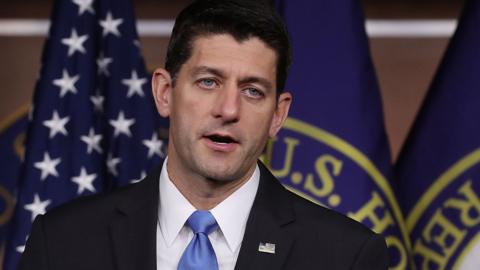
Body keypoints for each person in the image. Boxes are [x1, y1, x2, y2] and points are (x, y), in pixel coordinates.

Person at [18, 0, 388, 269]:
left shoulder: (346, 256)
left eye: (253, 91)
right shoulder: (63, 242)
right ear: (165, 92)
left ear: (278, 114)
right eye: (208, 82)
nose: (228, 110)